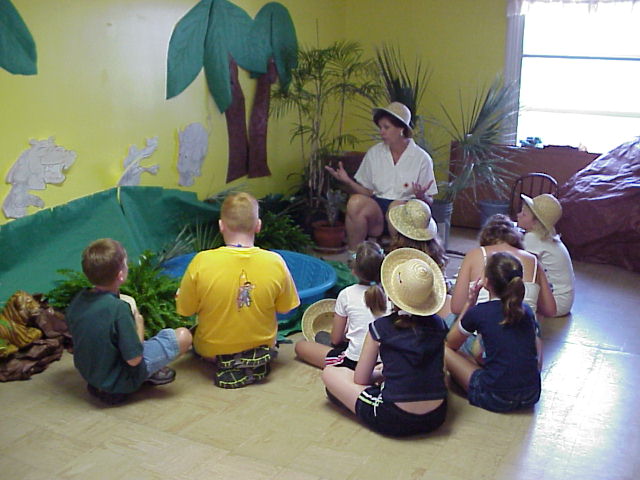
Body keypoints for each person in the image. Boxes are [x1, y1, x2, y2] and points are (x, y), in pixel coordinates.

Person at [176, 192, 300, 389]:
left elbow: (186, 310)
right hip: (263, 345)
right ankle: (251, 358)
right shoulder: (276, 262)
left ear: (221, 225)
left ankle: (228, 361)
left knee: (195, 330)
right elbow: (286, 309)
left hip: (211, 351)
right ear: (258, 225)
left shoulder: (201, 261)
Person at [322, 248, 448, 437]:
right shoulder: (439, 325)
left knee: (330, 373)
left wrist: (378, 373)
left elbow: (360, 380)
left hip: (394, 417)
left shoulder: (381, 328)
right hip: (437, 416)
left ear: (390, 295)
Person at [66, 238, 193, 405]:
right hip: (118, 384)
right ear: (120, 275)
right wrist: (139, 323)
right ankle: (143, 376)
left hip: (92, 378)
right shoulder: (118, 308)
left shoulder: (79, 299)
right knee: (183, 336)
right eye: (126, 264)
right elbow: (134, 359)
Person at [325, 102, 438, 253]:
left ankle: (398, 258)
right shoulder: (374, 153)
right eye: (380, 128)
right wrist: (347, 180)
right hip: (377, 210)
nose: (381, 132)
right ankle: (355, 257)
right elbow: (367, 192)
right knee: (355, 202)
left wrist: (421, 196)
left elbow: (429, 202)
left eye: (386, 127)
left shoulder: (422, 158)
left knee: (396, 207)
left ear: (401, 129)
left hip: (406, 211)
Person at [445, 252, 542, 413]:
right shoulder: (526, 310)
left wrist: (470, 303)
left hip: (496, 397)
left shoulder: (479, 312)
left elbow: (450, 343)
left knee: (444, 350)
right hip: (532, 394)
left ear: (486, 282)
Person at [294, 241, 389, 370]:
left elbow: (335, 340)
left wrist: (347, 334)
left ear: (354, 271)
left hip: (354, 361)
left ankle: (351, 373)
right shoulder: (392, 295)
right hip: (386, 363)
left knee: (301, 346)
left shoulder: (347, 294)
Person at [450, 214, 556, 319]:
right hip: (524, 327)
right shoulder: (533, 259)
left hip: (482, 327)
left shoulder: (474, 255)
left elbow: (457, 308)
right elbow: (550, 310)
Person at [517, 194, 575, 316]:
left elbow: (523, 267)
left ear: (536, 222)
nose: (518, 215)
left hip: (555, 303)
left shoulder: (532, 238)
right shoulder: (546, 236)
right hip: (564, 301)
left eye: (524, 214)